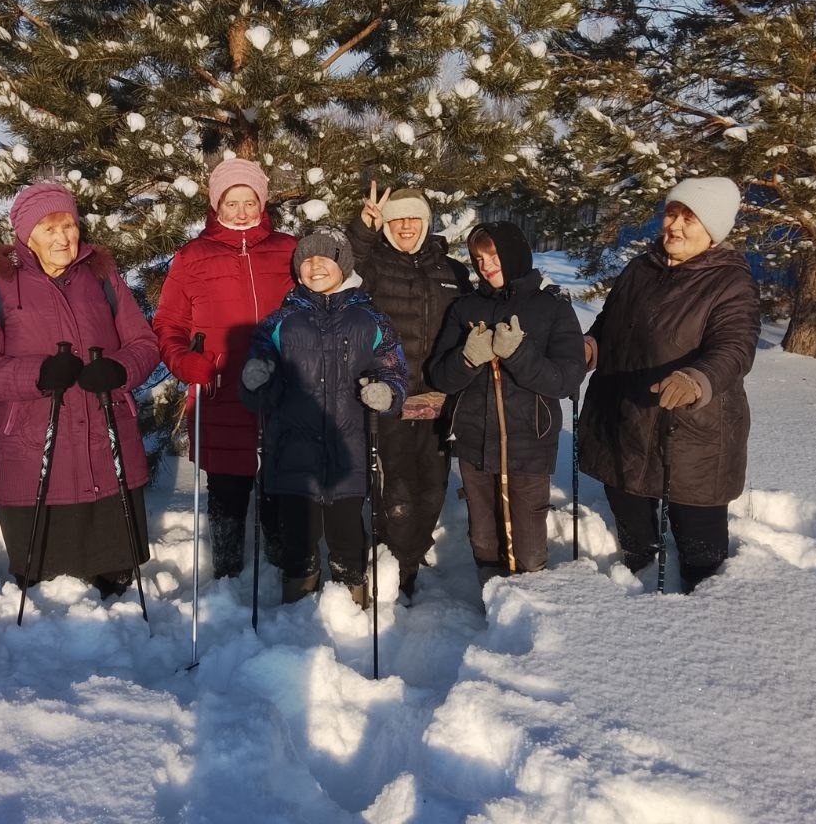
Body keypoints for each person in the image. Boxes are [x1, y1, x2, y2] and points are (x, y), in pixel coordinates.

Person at [0, 181, 160, 597]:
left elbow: (145, 344)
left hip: (105, 438)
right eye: (50, 229)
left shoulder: (103, 282)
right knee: (43, 580)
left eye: (69, 225)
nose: (64, 237)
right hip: (35, 448)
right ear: (27, 236)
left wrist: (118, 370)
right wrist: (38, 374)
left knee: (114, 575)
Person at [578, 177, 759, 593]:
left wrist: (698, 378)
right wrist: (592, 346)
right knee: (630, 513)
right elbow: (611, 322)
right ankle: (639, 570)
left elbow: (735, 347)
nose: (674, 225)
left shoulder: (729, 282)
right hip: (624, 418)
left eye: (689, 218)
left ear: (713, 229)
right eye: (671, 213)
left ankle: (705, 605)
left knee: (700, 542)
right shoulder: (642, 267)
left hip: (692, 429)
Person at [239, 229, 407, 607]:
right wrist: (256, 380)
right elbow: (261, 373)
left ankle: (352, 594)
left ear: (343, 265)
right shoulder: (280, 321)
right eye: (306, 260)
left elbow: (393, 367)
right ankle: (297, 599)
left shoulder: (370, 319)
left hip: (349, 450)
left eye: (324, 258)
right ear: (298, 271)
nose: (315, 266)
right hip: (294, 450)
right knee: (299, 532)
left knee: (348, 531)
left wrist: (387, 391)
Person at [153, 158, 297, 577]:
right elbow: (168, 323)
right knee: (228, 486)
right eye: (230, 202)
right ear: (216, 205)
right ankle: (228, 571)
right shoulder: (193, 256)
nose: (240, 211)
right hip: (220, 390)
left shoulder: (287, 250)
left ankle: (281, 568)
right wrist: (185, 362)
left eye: (248, 201)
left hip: (280, 387)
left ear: (261, 202)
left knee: (279, 481)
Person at [428, 221, 586, 583]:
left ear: (515, 254)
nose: (486, 266)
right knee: (483, 537)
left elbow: (564, 380)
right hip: (473, 441)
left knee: (527, 542)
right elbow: (441, 376)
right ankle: (493, 603)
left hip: (529, 441)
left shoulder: (551, 308)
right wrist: (467, 359)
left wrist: (519, 354)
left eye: (494, 255)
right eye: (478, 258)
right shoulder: (465, 308)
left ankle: (528, 609)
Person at [347, 182, 472, 601]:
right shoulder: (375, 266)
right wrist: (363, 231)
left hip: (439, 400)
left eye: (413, 217)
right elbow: (345, 277)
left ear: (426, 221)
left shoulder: (452, 272)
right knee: (394, 487)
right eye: (396, 218)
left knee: (432, 485)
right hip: (390, 399)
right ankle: (395, 565)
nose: (405, 226)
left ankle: (414, 553)